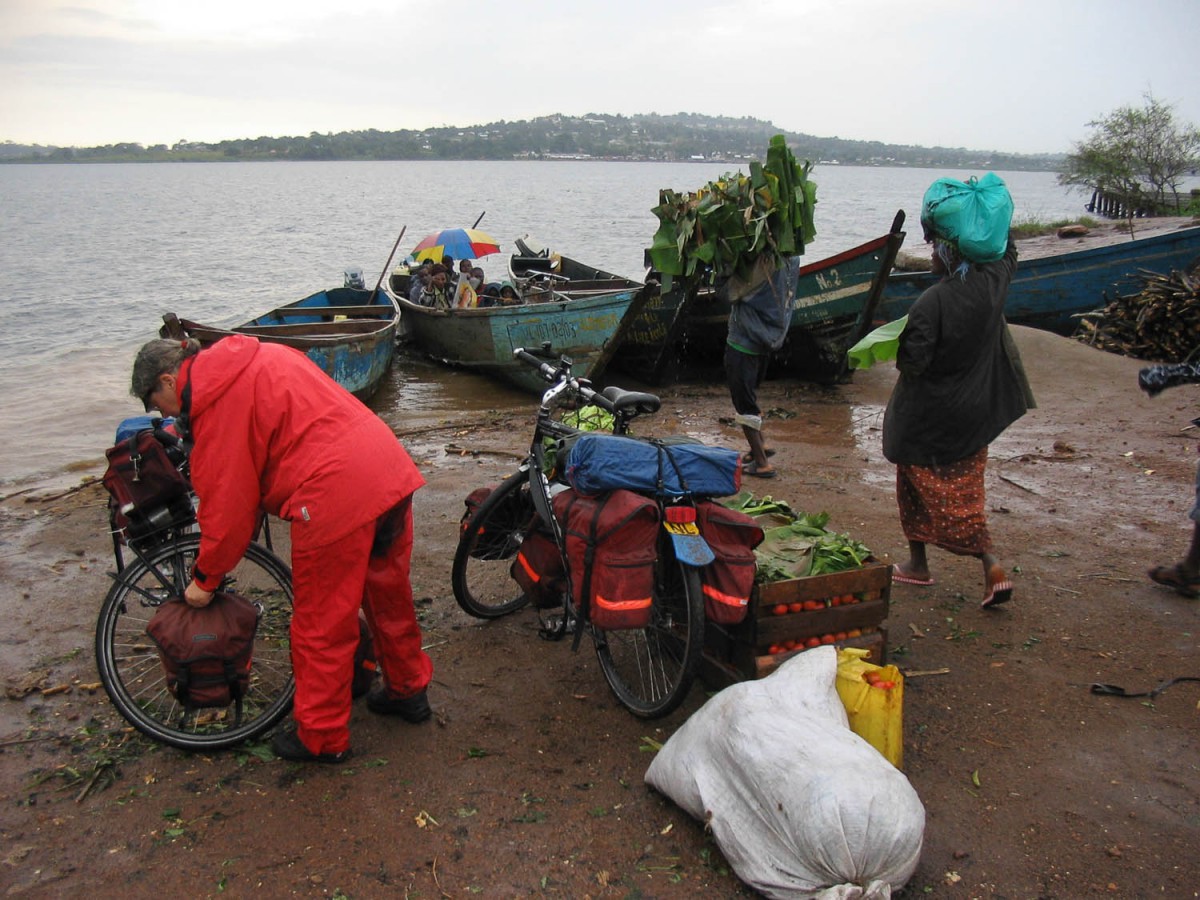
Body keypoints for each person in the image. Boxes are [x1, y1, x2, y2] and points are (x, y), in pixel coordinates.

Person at [130, 335, 434, 763]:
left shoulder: (213, 405)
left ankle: (323, 738)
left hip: (333, 491)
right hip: (385, 463)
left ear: (167, 378)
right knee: (387, 593)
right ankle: (409, 691)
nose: (159, 411)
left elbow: (228, 510)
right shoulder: (261, 354)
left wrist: (205, 580)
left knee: (321, 624)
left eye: (154, 400)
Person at [882, 183, 1033, 609]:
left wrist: (896, 342)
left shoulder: (934, 301)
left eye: (934, 247)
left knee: (929, 495)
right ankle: (950, 564)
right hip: (976, 413)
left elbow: (914, 363)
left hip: (931, 420)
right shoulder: (994, 281)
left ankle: (965, 564)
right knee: (962, 491)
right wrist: (982, 212)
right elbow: (1007, 250)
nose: (929, 254)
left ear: (950, 253)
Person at [723, 252, 801, 479]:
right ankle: (761, 446)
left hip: (743, 344)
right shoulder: (791, 260)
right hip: (766, 344)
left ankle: (761, 462)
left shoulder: (761, 264)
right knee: (750, 397)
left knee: (744, 404)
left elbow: (730, 291)